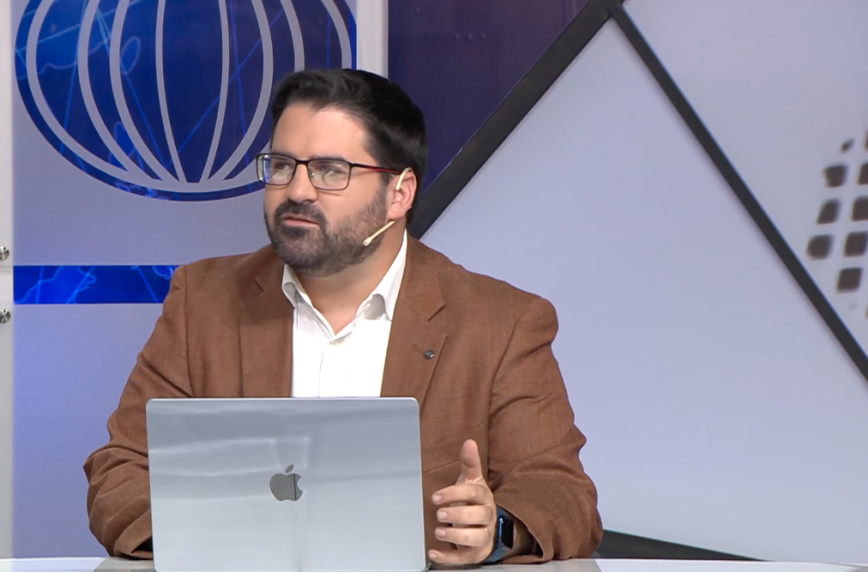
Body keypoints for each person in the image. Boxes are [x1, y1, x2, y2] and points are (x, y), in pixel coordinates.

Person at [83, 68, 601, 565]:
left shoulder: (500, 322)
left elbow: (561, 494)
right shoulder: (203, 301)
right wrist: (216, 537)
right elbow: (119, 474)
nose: (297, 190)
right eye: (282, 165)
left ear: (399, 193)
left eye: (330, 171)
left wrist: (496, 531)